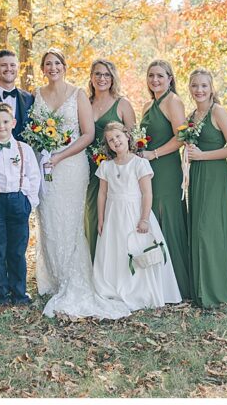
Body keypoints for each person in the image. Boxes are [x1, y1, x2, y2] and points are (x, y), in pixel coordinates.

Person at [33, 49, 129, 319]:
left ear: (65, 66)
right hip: (46, 167)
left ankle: (72, 279)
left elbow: (87, 135)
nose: (53, 68)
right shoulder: (36, 95)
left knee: (71, 221)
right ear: (43, 68)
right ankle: (54, 277)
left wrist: (60, 155)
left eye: (57, 63)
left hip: (72, 166)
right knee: (49, 219)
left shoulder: (78, 96)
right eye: (48, 64)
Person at [92, 122, 181, 311]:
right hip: (113, 214)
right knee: (115, 250)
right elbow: (102, 194)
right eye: (110, 140)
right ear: (108, 145)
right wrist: (101, 219)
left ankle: (141, 290)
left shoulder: (140, 163)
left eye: (118, 136)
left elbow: (147, 193)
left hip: (135, 213)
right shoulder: (106, 166)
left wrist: (144, 218)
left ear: (127, 136)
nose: (115, 141)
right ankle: (114, 287)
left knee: (136, 248)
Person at [0, 103, 41, 308]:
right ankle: (0, 294)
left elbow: (34, 176)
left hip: (18, 201)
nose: (1, 126)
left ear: (13, 123)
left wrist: (30, 201)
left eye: (5, 122)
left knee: (17, 250)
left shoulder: (24, 149)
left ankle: (19, 293)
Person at [184, 69, 227, 307]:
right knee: (198, 229)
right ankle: (201, 290)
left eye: (204, 86)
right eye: (195, 86)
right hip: (197, 177)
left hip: (215, 175)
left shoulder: (217, 112)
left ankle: (219, 292)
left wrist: (204, 155)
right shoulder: (191, 116)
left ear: (211, 88)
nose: (199, 90)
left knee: (210, 230)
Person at [138, 60, 192, 300]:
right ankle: (156, 281)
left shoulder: (173, 101)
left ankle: (177, 284)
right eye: (151, 76)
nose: (155, 80)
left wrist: (154, 154)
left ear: (170, 78)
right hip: (148, 170)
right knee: (153, 219)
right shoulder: (148, 106)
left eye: (160, 76)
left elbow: (181, 138)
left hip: (167, 168)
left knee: (168, 217)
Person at [85, 59, 136, 260]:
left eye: (106, 74)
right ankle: (93, 264)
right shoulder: (85, 102)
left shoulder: (122, 104)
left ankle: (116, 268)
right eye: (97, 74)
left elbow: (133, 139)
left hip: (117, 169)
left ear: (113, 78)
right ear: (91, 77)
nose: (102, 78)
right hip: (89, 167)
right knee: (92, 215)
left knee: (116, 218)